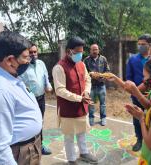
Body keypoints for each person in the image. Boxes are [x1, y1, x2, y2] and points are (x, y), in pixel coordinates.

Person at [0, 31, 42, 165]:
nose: (28, 61)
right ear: (9, 60)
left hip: (28, 149)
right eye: (25, 57)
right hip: (17, 155)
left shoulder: (9, 74)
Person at [52, 37, 98, 165]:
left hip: (82, 107)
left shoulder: (81, 64)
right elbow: (60, 90)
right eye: (77, 52)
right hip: (68, 109)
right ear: (68, 52)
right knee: (69, 136)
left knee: (82, 131)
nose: (80, 55)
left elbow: (87, 79)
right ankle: (71, 160)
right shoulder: (59, 68)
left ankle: (84, 153)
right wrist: (79, 98)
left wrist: (87, 92)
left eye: (81, 52)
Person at [20, 43, 53, 155]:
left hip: (41, 98)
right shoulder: (22, 67)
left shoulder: (41, 64)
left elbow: (45, 76)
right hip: (29, 101)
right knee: (31, 123)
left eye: (35, 52)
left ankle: (40, 145)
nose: (33, 54)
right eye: (31, 52)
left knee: (40, 122)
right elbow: (20, 83)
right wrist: (28, 92)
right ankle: (31, 146)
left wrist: (48, 85)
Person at [126, 34, 151, 151]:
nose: (140, 46)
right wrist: (135, 91)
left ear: (150, 45)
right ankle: (139, 140)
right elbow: (128, 78)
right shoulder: (132, 59)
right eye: (139, 44)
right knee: (137, 117)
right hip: (136, 95)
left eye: (143, 44)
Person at [83, 44, 110, 126]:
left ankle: (103, 118)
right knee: (91, 103)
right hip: (91, 86)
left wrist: (101, 76)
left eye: (96, 49)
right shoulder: (86, 60)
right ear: (90, 51)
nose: (95, 51)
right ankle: (91, 118)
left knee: (103, 103)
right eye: (93, 50)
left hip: (101, 85)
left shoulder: (103, 59)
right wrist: (91, 74)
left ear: (98, 50)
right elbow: (83, 73)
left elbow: (108, 71)